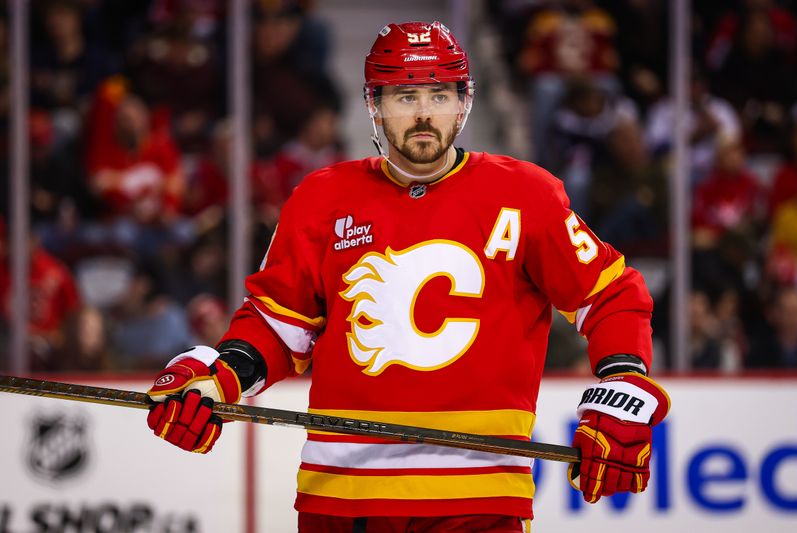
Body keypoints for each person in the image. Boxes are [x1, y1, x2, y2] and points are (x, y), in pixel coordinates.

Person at [144, 21, 670, 531]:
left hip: (478, 503)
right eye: (404, 96)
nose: (423, 114)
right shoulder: (321, 199)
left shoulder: (525, 195)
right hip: (344, 500)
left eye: (439, 96)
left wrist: (621, 383)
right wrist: (218, 374)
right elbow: (277, 327)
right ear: (373, 105)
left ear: (464, 102)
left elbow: (611, 294)